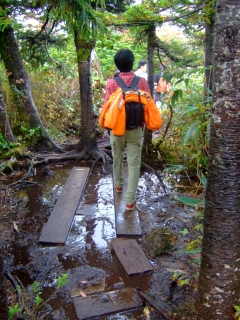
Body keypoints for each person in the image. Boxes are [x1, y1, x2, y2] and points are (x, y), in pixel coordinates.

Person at [102, 49, 150, 211]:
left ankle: (118, 186)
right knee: (134, 163)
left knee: (117, 157)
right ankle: (130, 201)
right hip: (136, 128)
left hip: (116, 129)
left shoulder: (111, 83)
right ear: (132, 63)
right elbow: (148, 105)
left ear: (117, 64)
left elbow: (107, 107)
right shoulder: (141, 82)